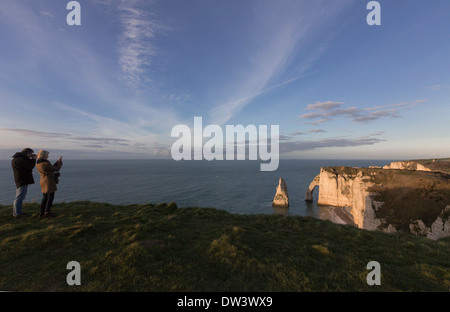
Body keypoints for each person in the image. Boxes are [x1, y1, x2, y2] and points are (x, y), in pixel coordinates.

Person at [36, 150, 63, 218]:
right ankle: (47, 212)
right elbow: (56, 169)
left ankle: (41, 212)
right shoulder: (46, 163)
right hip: (49, 181)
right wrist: (59, 162)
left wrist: (57, 162)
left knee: (45, 197)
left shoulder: (38, 163)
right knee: (50, 197)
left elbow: (51, 168)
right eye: (47, 155)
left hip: (43, 181)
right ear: (44, 155)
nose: (48, 156)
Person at [11, 148, 37, 218]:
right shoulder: (22, 159)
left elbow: (26, 166)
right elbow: (30, 166)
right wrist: (34, 159)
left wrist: (30, 159)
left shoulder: (17, 159)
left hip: (20, 179)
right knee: (19, 197)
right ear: (27, 153)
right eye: (31, 154)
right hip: (22, 180)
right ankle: (17, 214)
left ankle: (17, 212)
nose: (31, 155)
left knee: (19, 196)